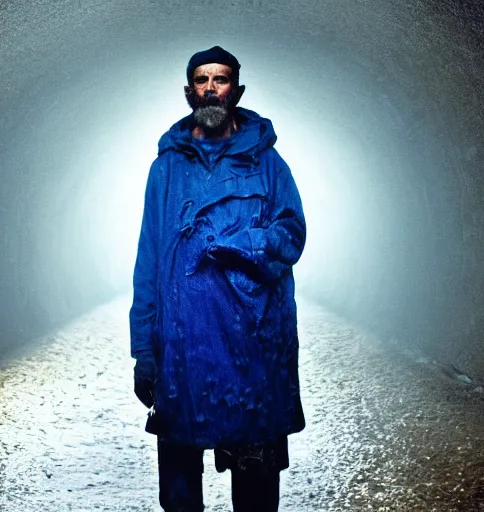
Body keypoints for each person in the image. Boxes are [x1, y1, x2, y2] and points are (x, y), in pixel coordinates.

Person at [129, 45, 307, 512]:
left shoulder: (268, 164)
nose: (211, 87)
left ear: (237, 90)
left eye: (221, 79)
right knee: (180, 496)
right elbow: (148, 260)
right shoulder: (165, 170)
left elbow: (291, 236)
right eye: (202, 80)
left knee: (255, 495)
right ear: (189, 92)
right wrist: (144, 351)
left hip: (252, 352)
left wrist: (235, 243)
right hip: (182, 354)